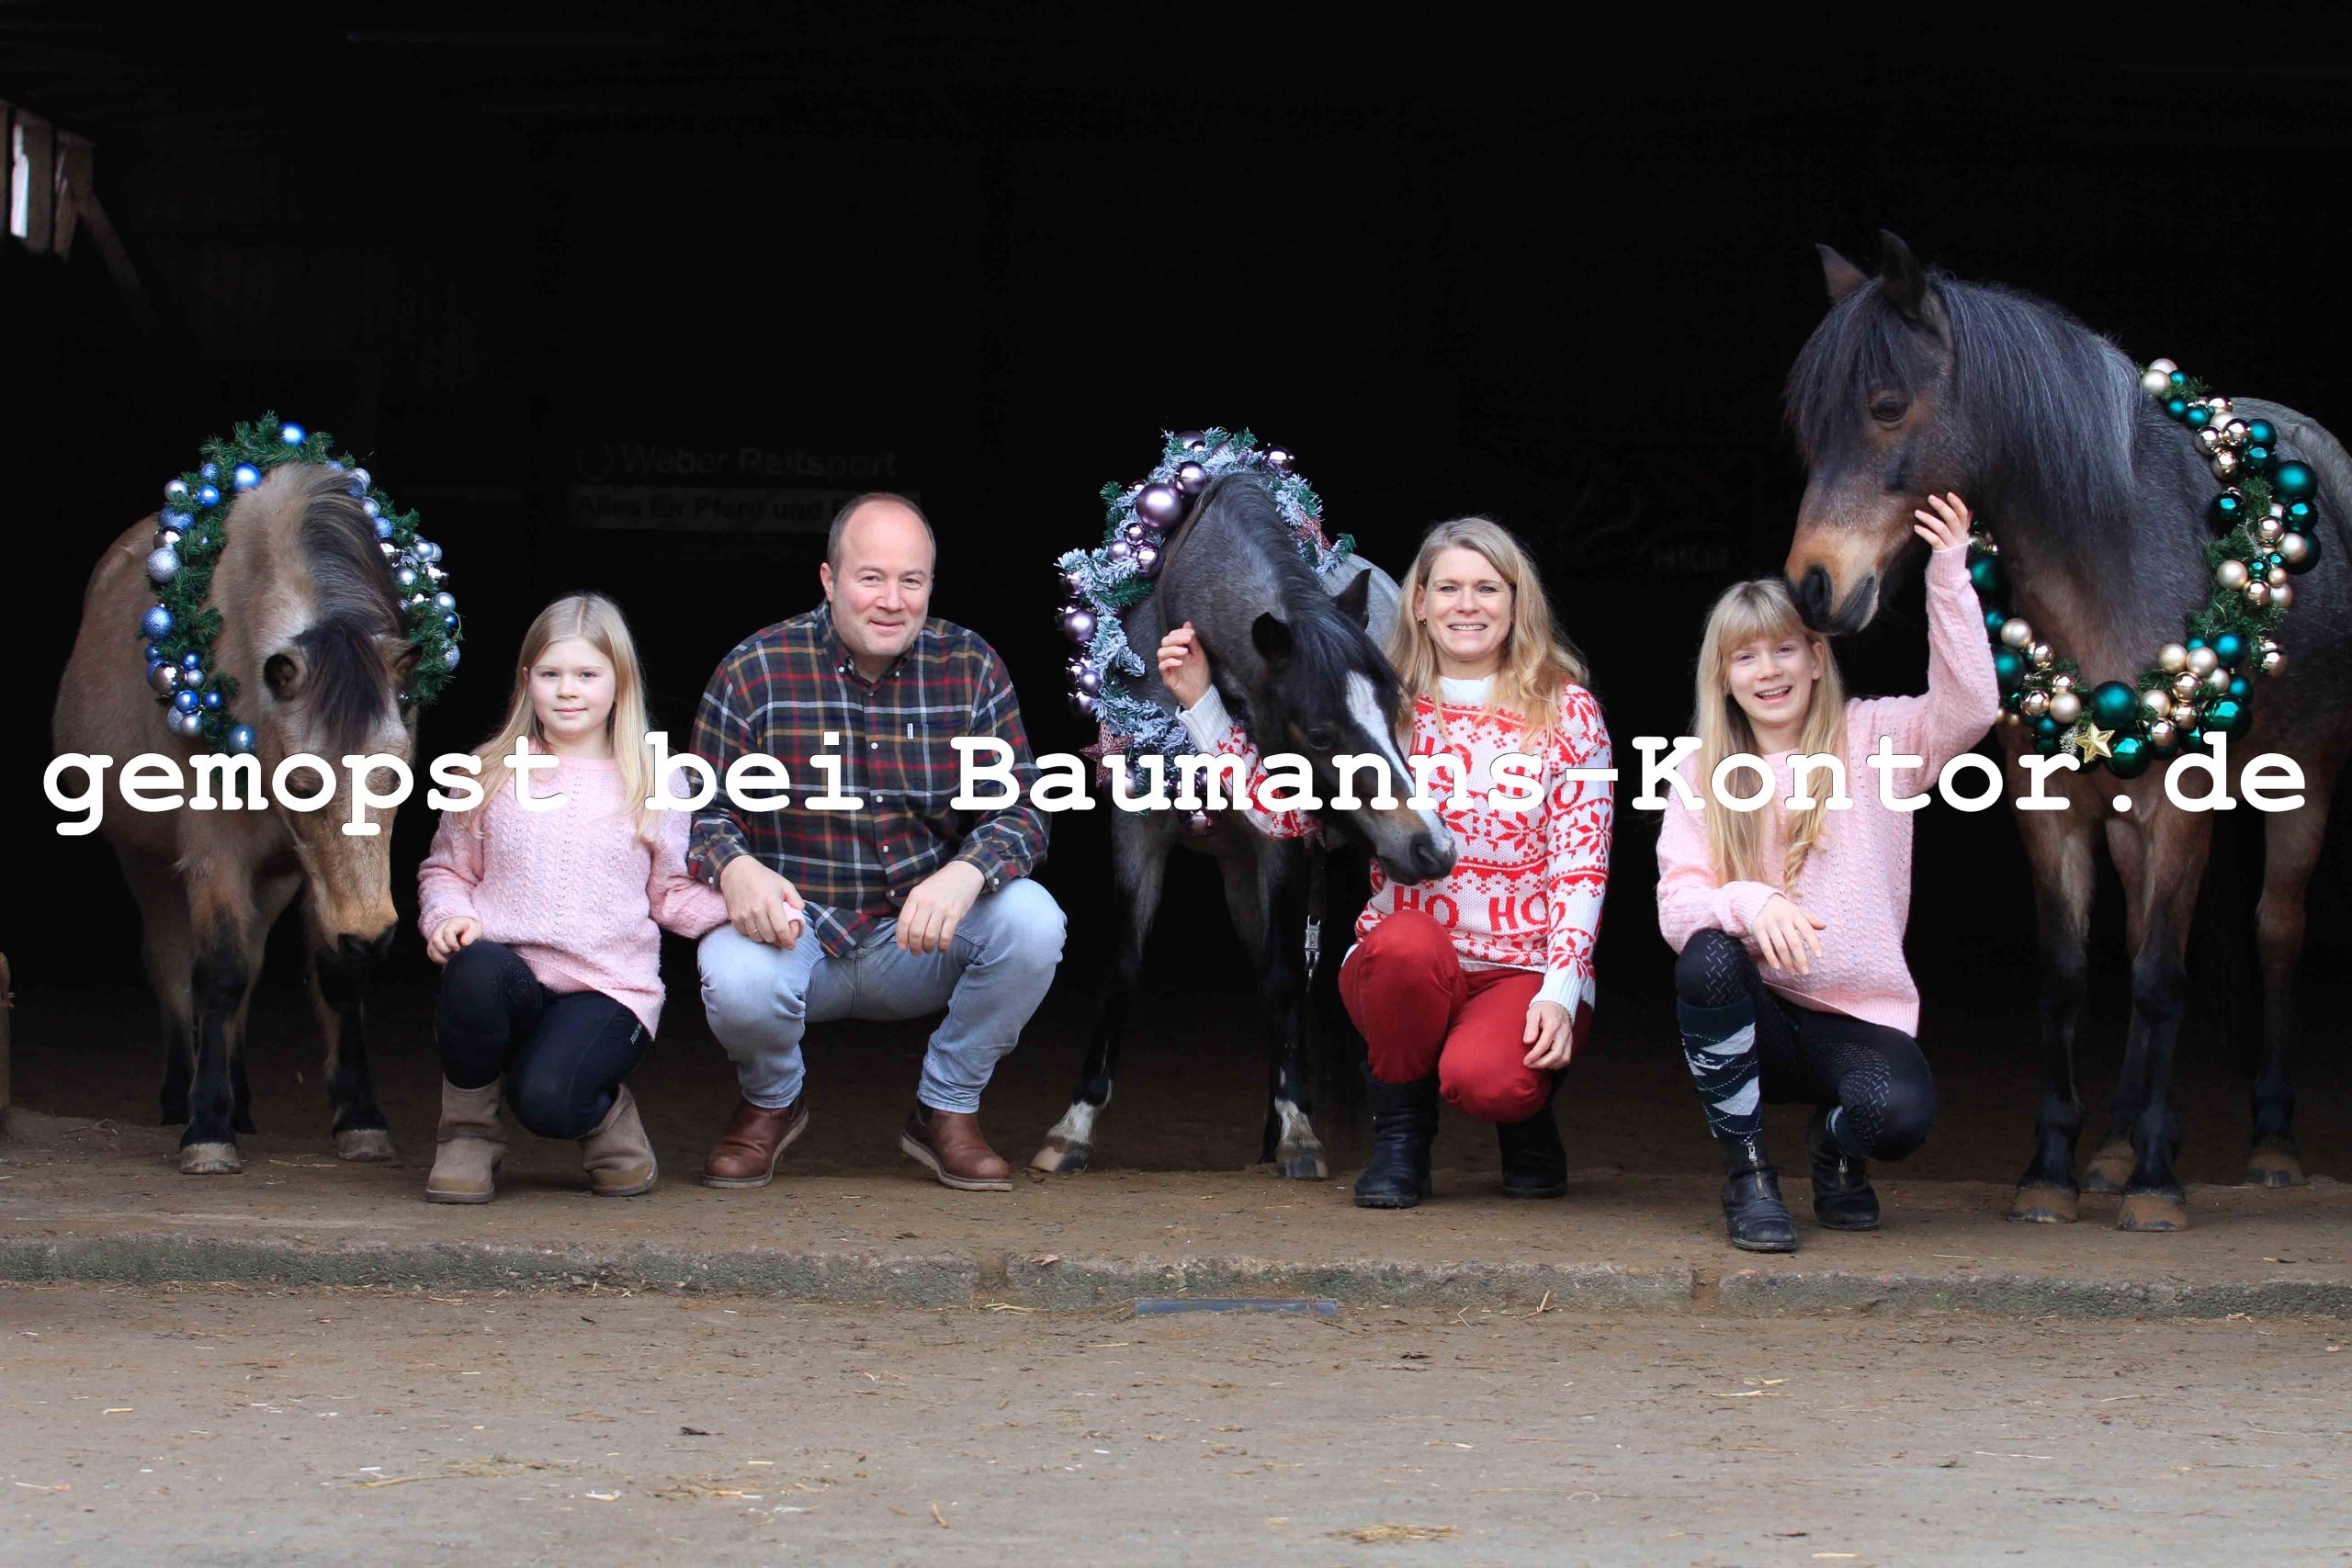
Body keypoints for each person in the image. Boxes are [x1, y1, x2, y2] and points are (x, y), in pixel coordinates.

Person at [1159, 516, 1615, 1208]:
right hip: (1411, 961)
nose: (1467, 605)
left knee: (1490, 1080)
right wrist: (1201, 706)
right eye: (1449, 588)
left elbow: (1582, 863)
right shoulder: (1382, 702)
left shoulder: (1567, 712)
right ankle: (1401, 1138)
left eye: (1488, 588)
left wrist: (1561, 984)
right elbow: (1288, 816)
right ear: (1419, 602)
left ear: (1517, 603)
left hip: (1524, 966)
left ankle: (1526, 1122)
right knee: (1401, 945)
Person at [689, 492, 1064, 1192]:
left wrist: (965, 873)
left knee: (1034, 920)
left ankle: (946, 1105)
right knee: (734, 976)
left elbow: (1024, 806)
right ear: (829, 580)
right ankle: (772, 1099)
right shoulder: (754, 667)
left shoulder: (971, 664)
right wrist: (734, 866)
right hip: (794, 933)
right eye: (871, 578)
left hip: (919, 938)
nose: (892, 600)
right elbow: (699, 809)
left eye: (911, 580)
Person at [1656, 492, 1998, 1252]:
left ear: (1816, 658)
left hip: (1856, 1021)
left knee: (1899, 1116)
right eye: (1745, 656)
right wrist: (1750, 903)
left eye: (1784, 649)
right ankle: (1749, 1176)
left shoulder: (1879, 737)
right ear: (1723, 676)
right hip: (1760, 1019)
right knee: (1707, 955)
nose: (1768, 670)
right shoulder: (1698, 769)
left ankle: (1837, 1151)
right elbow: (1677, 903)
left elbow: (1972, 708)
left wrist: (1949, 571)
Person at [417, 592, 729, 1202]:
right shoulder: (488, 771)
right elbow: (446, 869)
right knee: (473, 970)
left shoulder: (657, 779)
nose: (567, 691)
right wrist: (448, 915)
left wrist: (744, 909)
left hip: (607, 988)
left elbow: (669, 893)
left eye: (587, 674)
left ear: (620, 681)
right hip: (510, 978)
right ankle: (466, 1133)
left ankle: (605, 1120)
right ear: (526, 679)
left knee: (546, 1098)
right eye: (550, 674)